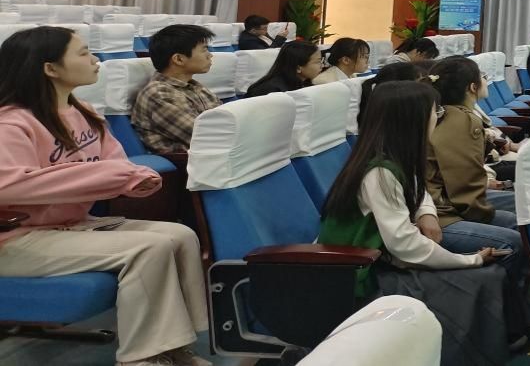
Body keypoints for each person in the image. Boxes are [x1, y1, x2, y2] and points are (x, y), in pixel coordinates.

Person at [0, 27, 210, 366]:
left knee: (181, 235)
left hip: (70, 225)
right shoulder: (11, 123)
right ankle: (142, 358)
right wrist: (107, 176)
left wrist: (132, 181)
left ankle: (174, 345)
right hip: (15, 240)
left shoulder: (83, 111)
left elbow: (115, 163)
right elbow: (7, 185)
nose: (95, 60)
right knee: (149, 247)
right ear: (51, 68)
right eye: (83, 53)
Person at [319, 80, 520, 365]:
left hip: (385, 259)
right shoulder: (379, 172)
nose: (438, 117)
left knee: (489, 274)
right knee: (483, 277)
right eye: (434, 112)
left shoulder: (392, 155)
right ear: (412, 119)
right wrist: (470, 260)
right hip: (364, 274)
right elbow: (406, 246)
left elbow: (418, 188)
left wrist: (427, 213)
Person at [425, 57, 522, 255]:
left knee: (520, 211)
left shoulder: (448, 113)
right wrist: (485, 216)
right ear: (472, 87)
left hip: (442, 202)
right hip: (442, 209)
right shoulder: (463, 120)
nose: (486, 80)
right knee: (519, 232)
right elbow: (465, 188)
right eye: (483, 76)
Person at [131, 24, 222, 154]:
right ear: (179, 59)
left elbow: (224, 120)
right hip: (186, 160)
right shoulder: (159, 94)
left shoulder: (194, 86)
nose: (210, 55)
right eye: (204, 50)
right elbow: (205, 136)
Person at [245, 41, 323, 98]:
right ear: (298, 68)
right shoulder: (272, 91)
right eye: (318, 62)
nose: (322, 66)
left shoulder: (304, 83)